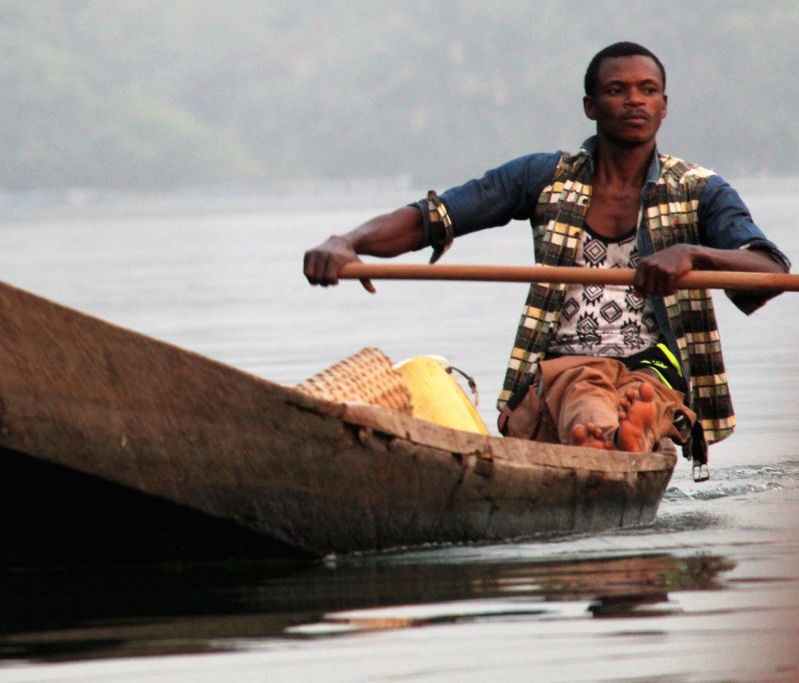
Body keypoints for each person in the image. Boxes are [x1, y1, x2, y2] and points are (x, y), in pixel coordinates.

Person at [303, 42, 789, 471]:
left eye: (648, 90)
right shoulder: (545, 177)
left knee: (641, 390)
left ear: (664, 107)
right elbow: (435, 217)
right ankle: (616, 431)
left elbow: (768, 268)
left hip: (655, 363)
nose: (634, 100)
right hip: (564, 364)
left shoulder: (700, 191)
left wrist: (691, 255)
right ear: (590, 106)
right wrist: (346, 242)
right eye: (617, 90)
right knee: (584, 391)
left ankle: (629, 425)